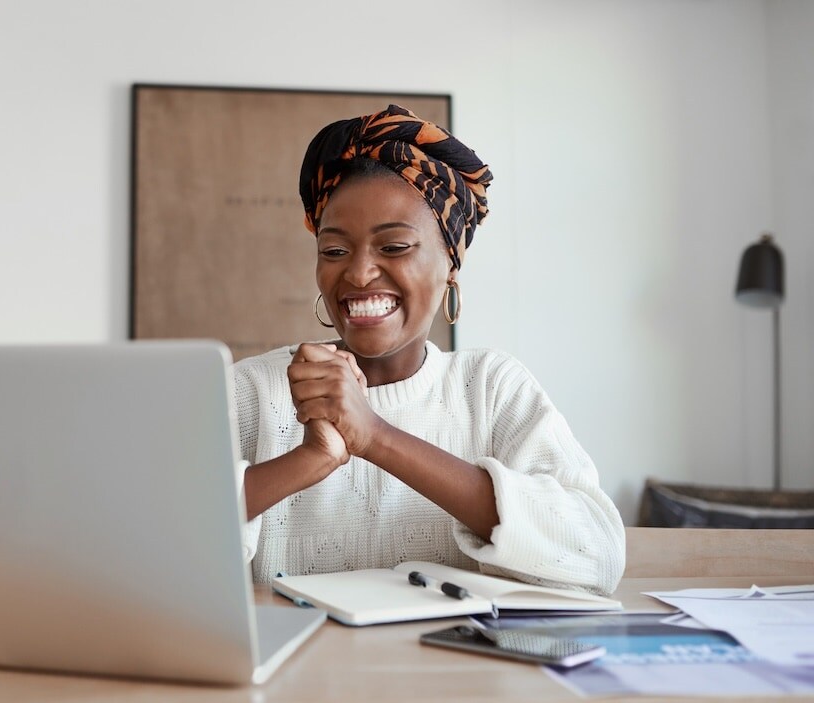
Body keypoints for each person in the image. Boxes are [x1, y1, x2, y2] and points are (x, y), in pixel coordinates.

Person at [234, 105, 625, 595]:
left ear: (450, 265)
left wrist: (374, 435)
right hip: (298, 672)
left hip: (462, 672)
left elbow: (597, 556)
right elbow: (154, 542)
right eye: (334, 251)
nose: (357, 274)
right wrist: (310, 458)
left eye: (394, 247)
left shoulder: (491, 387)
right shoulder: (251, 391)